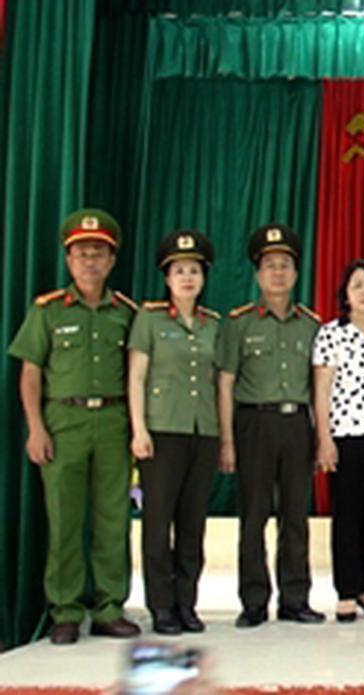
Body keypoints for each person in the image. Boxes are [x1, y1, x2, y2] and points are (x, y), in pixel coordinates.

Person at [9, 209, 141, 645]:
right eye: (81, 253)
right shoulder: (47, 311)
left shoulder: (126, 313)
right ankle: (65, 610)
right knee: (64, 518)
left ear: (112, 260)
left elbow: (136, 373)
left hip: (113, 422)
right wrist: (36, 428)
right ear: (68, 260)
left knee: (112, 518)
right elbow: (31, 372)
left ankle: (108, 607)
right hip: (63, 422)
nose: (90, 261)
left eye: (98, 253)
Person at [217, 224, 325, 627]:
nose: (278, 273)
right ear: (258, 274)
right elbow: (225, 383)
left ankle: (296, 598)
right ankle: (254, 600)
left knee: (295, 515)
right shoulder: (239, 323)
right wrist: (227, 440)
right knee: (254, 515)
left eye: (285, 265)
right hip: (254, 424)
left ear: (295, 274)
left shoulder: (310, 325)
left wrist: (320, 437)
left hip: (296, 424)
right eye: (270, 265)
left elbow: (319, 388)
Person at [127, 230, 222, 635]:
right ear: (167, 278)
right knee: (157, 522)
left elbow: (219, 382)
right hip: (162, 431)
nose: (187, 278)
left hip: (203, 432)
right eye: (179, 271)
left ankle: (187, 602)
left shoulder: (212, 324)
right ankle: (161, 606)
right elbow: (136, 377)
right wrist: (139, 430)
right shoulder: (149, 319)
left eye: (194, 271)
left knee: (192, 524)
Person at [312, 260, 364, 623]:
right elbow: (321, 390)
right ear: (346, 294)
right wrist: (324, 439)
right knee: (347, 515)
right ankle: (346, 592)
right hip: (345, 436)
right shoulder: (331, 333)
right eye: (358, 285)